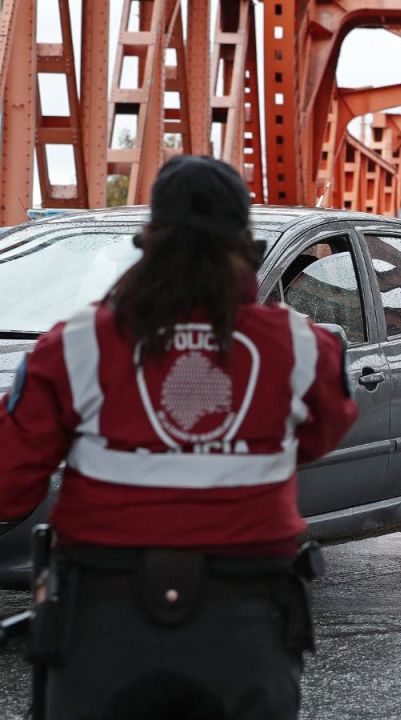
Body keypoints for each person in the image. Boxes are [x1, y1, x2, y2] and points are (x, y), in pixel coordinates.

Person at [0, 155, 358, 718]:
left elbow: (7, 481)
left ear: (149, 243)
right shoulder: (299, 346)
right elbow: (318, 437)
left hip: (102, 626)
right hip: (246, 625)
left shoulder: (76, 345)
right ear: (243, 246)